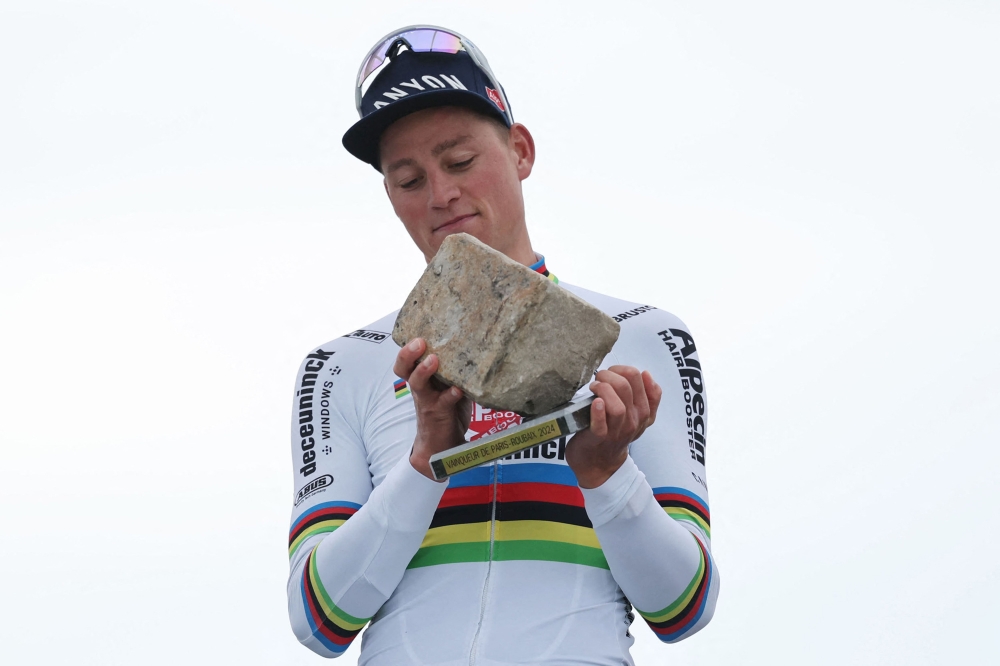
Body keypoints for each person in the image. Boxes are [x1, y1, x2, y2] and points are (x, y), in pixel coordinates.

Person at [287, 25, 718, 665]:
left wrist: (604, 471)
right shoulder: (341, 365)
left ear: (520, 151)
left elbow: (684, 606)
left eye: (460, 162)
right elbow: (319, 620)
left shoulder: (646, 336)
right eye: (408, 180)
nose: (441, 195)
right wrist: (427, 457)